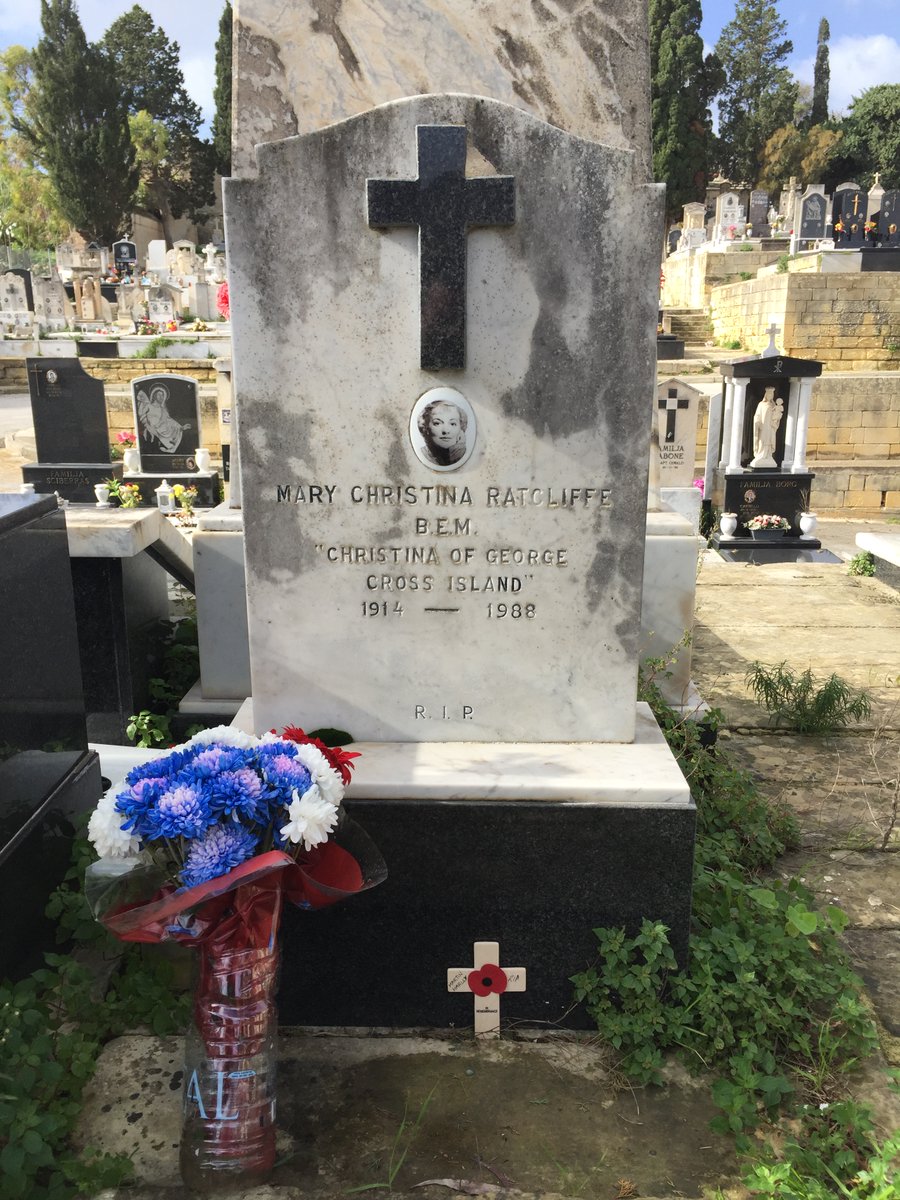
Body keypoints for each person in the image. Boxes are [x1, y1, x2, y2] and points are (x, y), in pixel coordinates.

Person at [136, 383, 195, 454]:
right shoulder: (148, 406)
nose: (161, 397)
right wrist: (148, 426)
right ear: (154, 395)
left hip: (163, 429)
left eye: (163, 395)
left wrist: (181, 427)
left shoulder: (163, 409)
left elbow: (169, 420)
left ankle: (170, 444)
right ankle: (168, 444)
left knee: (171, 430)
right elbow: (141, 416)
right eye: (159, 395)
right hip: (152, 428)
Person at [417, 399, 468, 466]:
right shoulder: (422, 455)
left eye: (452, 424)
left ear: (461, 428)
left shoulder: (463, 455)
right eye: (437, 423)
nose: (446, 431)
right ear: (426, 428)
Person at [750, 387, 783, 467]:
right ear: (766, 395)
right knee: (762, 440)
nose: (770, 396)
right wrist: (757, 422)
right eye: (769, 394)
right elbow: (757, 415)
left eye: (772, 394)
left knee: (770, 440)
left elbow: (777, 415)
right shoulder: (761, 404)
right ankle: (761, 455)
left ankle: (768, 455)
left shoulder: (773, 405)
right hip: (763, 426)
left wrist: (776, 418)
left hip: (771, 426)